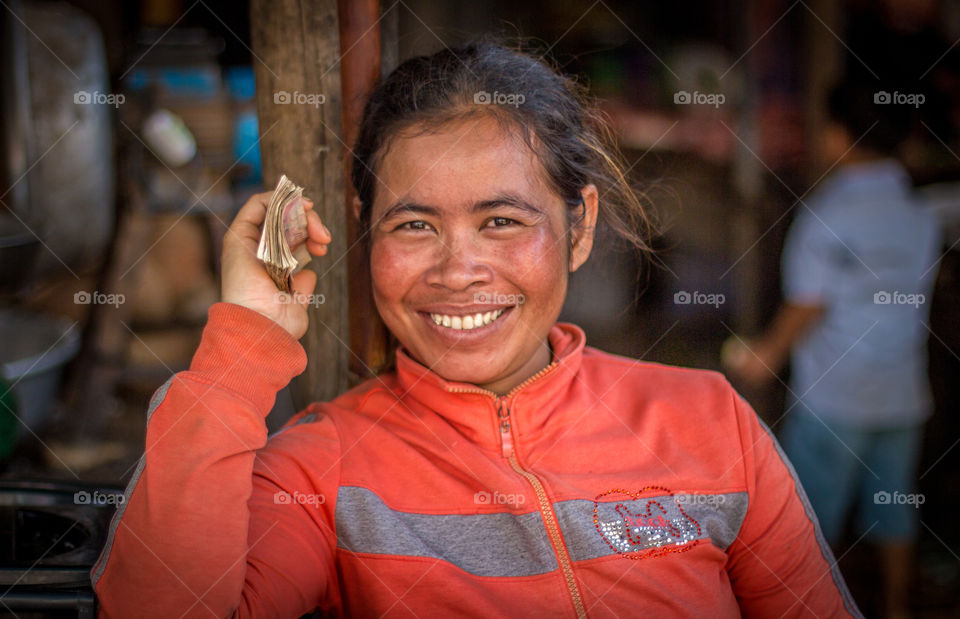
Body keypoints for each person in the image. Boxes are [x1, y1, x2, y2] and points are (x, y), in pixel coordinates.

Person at [92, 43, 861, 618]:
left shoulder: (710, 420)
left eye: (501, 220)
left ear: (579, 225)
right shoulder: (320, 471)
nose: (459, 269)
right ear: (366, 232)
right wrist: (243, 346)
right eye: (415, 224)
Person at [726, 80, 942, 619]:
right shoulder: (919, 212)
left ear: (838, 136)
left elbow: (808, 303)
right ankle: (896, 608)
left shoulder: (828, 212)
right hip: (901, 392)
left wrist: (766, 353)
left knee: (810, 516)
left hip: (836, 396)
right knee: (894, 507)